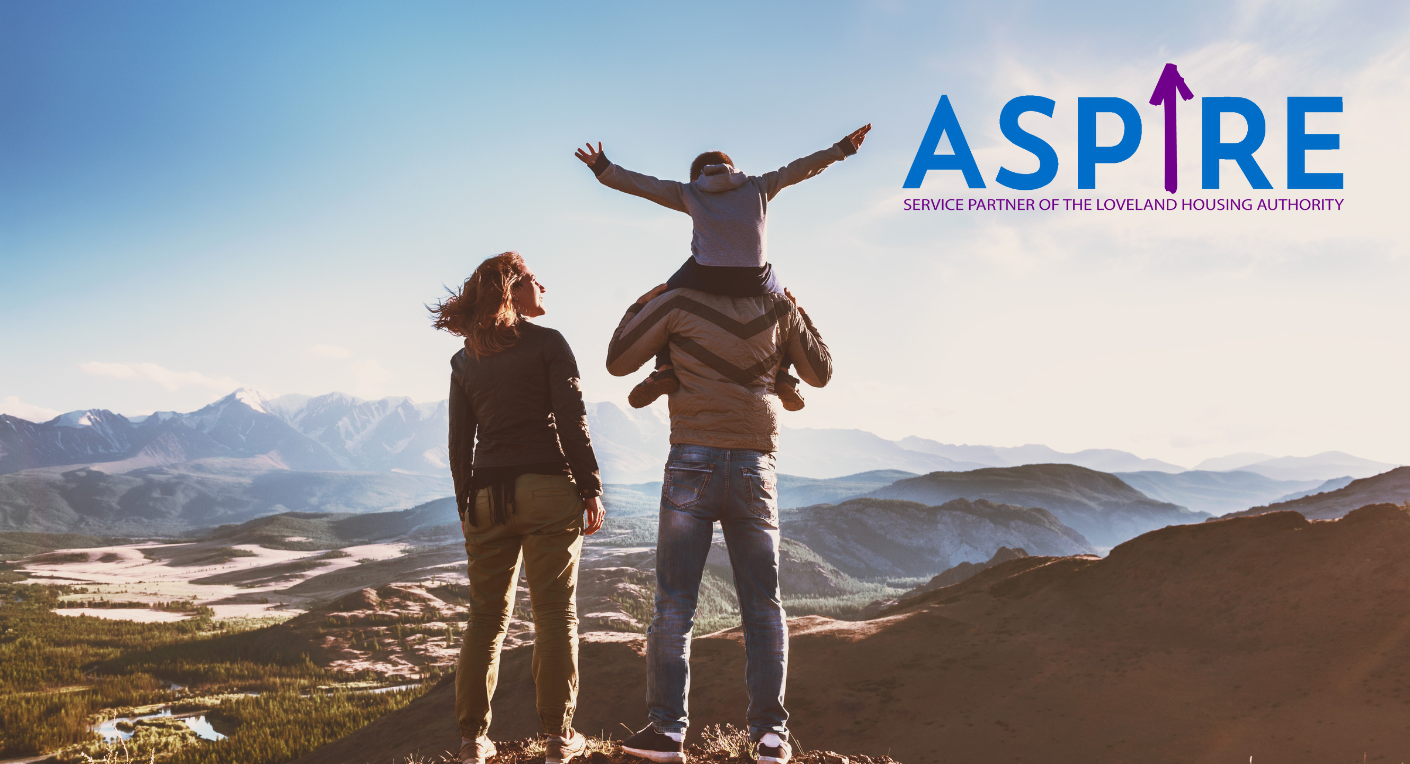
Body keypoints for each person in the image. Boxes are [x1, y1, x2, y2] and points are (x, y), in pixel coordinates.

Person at [604, 277, 834, 764]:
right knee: (763, 606)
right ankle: (771, 737)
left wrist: (646, 300)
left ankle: (667, 733)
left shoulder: (679, 298)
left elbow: (617, 358)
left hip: (693, 460)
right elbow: (823, 372)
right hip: (755, 465)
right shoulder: (776, 306)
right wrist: (798, 308)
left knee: (674, 604)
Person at [432, 252, 607, 764]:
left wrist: (467, 503)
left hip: (487, 496)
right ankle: (558, 737)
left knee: (485, 619)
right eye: (534, 280)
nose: (544, 286)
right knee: (554, 615)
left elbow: (459, 441)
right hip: (549, 489)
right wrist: (591, 486)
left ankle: (472, 742)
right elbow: (572, 421)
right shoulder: (549, 344)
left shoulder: (466, 358)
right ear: (513, 290)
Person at [575, 124, 868, 412]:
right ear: (732, 168)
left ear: (698, 175)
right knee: (786, 308)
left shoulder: (690, 191)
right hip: (756, 277)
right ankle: (784, 375)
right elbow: (799, 169)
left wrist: (602, 167)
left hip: (706, 274)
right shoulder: (758, 185)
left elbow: (643, 185)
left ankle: (664, 368)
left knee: (665, 298)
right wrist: (841, 150)